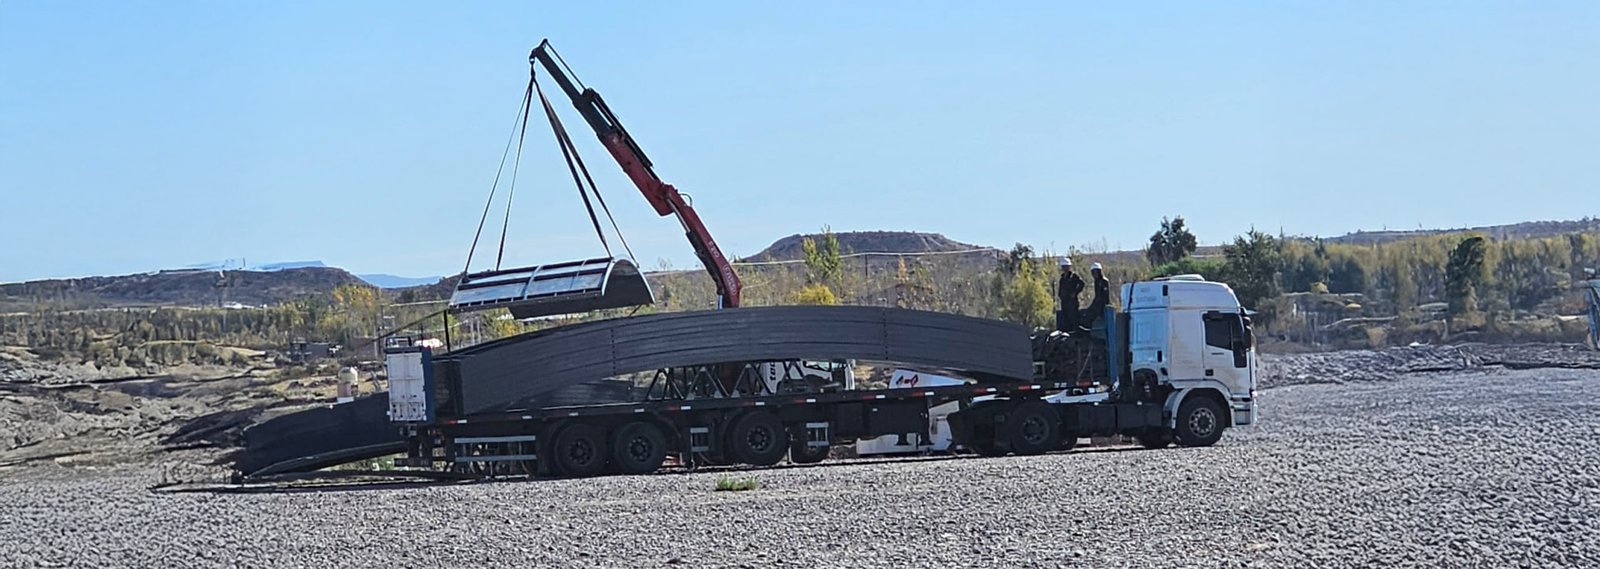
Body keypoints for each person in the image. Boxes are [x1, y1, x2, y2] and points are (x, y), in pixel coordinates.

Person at [1056, 257, 1085, 333]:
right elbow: (1060, 289)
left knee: (1074, 319)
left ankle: (1075, 334)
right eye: (1063, 267)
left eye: (1066, 266)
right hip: (1064, 303)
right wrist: (1060, 295)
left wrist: (1075, 293)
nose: (1065, 268)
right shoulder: (1062, 278)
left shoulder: (1074, 276)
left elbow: (1082, 284)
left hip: (1072, 303)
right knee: (1066, 320)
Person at [1083, 262, 1111, 330]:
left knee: (1092, 314)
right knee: (1086, 312)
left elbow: (1104, 296)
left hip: (1103, 305)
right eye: (1093, 272)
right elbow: (1097, 295)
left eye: (1096, 272)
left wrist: (1099, 306)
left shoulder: (1104, 281)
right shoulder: (1096, 281)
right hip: (1097, 303)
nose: (1095, 274)